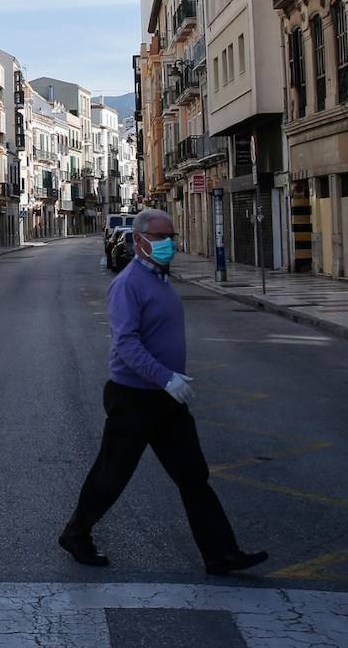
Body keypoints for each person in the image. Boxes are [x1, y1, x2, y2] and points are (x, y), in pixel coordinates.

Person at [59, 208, 268, 576]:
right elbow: (126, 342)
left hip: (165, 399)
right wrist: (165, 377)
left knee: (193, 475)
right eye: (160, 237)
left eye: (171, 236)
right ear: (139, 241)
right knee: (112, 473)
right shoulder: (128, 284)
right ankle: (76, 534)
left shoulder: (160, 277)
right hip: (134, 397)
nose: (168, 243)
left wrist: (170, 382)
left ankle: (222, 554)